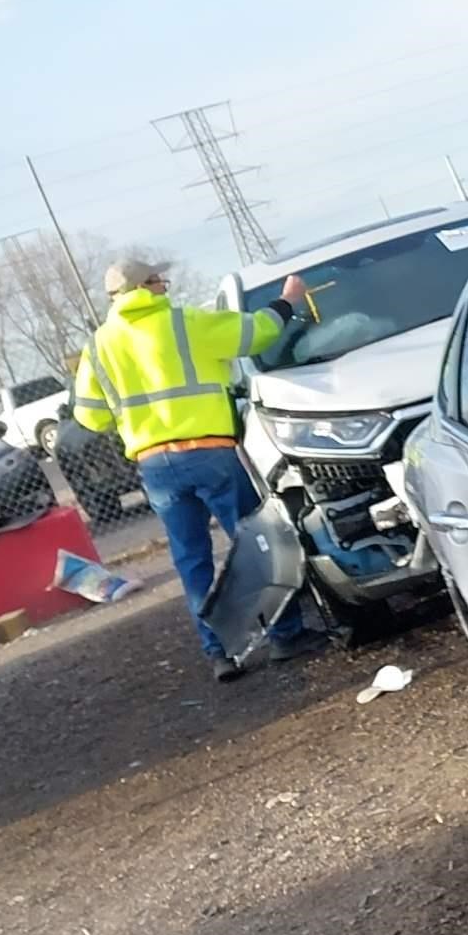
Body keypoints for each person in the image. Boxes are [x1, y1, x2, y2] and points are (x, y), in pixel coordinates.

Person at [69, 257, 326, 682]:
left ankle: (221, 653)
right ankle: (285, 634)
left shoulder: (97, 346)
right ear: (147, 286)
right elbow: (256, 333)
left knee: (191, 560)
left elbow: (90, 418)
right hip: (211, 453)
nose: (165, 286)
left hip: (155, 465)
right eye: (160, 280)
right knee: (254, 544)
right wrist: (288, 302)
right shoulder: (186, 322)